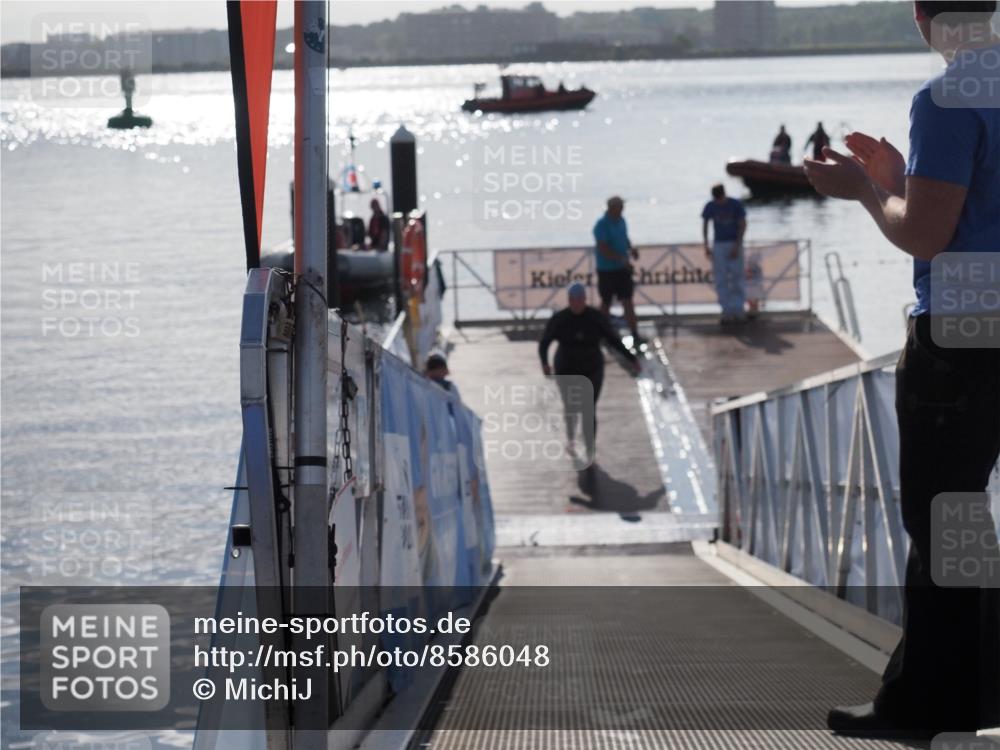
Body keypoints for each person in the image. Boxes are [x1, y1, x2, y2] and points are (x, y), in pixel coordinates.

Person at [804, 0, 1000, 737]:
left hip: (964, 332)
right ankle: (972, 692)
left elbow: (924, 232)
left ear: (922, 15)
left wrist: (863, 189)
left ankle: (929, 705)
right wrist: (900, 173)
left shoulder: (947, 96)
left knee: (945, 516)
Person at [538, 283, 641, 465]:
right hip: (566, 367)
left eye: (580, 300)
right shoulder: (560, 319)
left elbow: (613, 340)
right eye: (573, 300)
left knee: (587, 408)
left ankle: (589, 448)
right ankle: (570, 438)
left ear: (585, 300)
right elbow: (544, 343)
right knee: (571, 407)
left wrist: (632, 359)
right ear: (569, 301)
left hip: (591, 367)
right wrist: (545, 363)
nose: (577, 304)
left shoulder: (596, 318)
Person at [593, 196, 644, 346]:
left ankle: (635, 334)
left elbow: (625, 238)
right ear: (612, 208)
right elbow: (603, 248)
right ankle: (601, 334)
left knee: (628, 301)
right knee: (606, 303)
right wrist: (621, 259)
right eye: (620, 206)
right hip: (607, 270)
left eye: (622, 206)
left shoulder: (622, 221)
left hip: (622, 270)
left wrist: (631, 248)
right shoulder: (601, 225)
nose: (622, 209)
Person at [701, 184, 748, 323]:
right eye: (716, 199)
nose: (719, 202)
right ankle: (726, 310)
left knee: (737, 277)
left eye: (720, 198)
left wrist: (737, 245)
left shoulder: (735, 204)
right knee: (720, 278)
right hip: (719, 244)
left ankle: (739, 309)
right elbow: (705, 224)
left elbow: (743, 224)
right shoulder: (710, 205)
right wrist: (706, 244)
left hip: (734, 242)